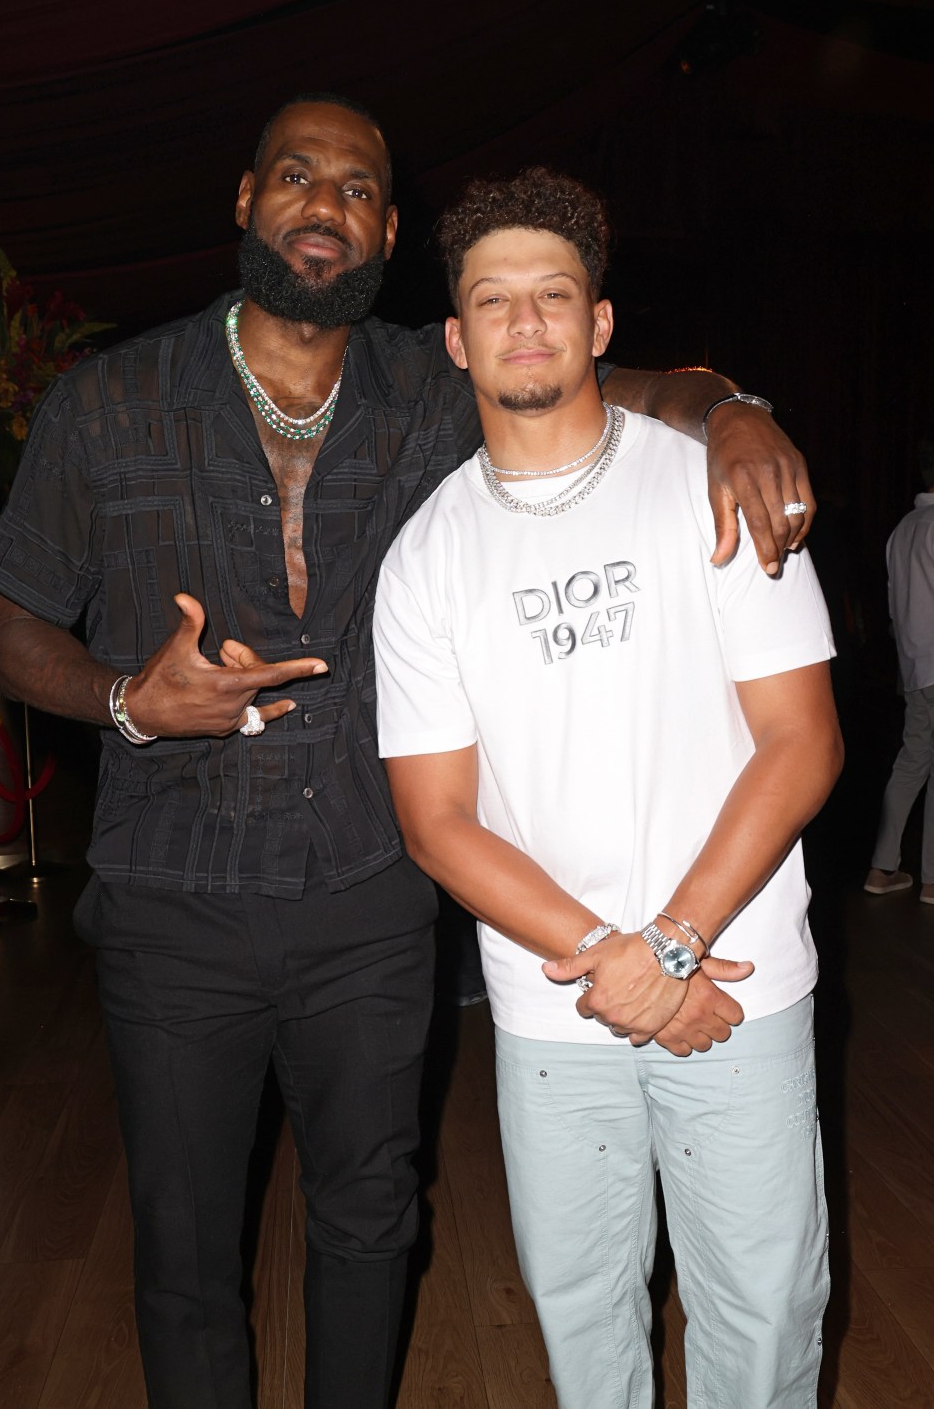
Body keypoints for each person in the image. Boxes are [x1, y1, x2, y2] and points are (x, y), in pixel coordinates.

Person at [0, 94, 817, 1409]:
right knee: (187, 1251)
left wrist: (733, 409)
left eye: (359, 188)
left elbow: (610, 384)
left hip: (372, 896)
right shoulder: (110, 401)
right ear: (246, 200)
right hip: (173, 903)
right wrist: (128, 700)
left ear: (388, 228)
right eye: (298, 177)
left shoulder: (436, 385)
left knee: (374, 1223)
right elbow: (7, 631)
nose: (326, 205)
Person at [373, 166, 843, 1407]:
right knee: (584, 1320)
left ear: (600, 324)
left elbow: (802, 742)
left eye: (552, 295)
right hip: (552, 1010)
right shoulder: (425, 558)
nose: (524, 322)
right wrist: (611, 961)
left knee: (762, 1310)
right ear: (456, 339)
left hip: (737, 982)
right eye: (493, 300)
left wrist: (674, 947)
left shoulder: (711, 480)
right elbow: (434, 819)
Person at [864, 459, 934, 905]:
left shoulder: (904, 527)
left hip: (914, 665)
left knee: (912, 760)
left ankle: (881, 866)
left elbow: (894, 609)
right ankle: (932, 880)